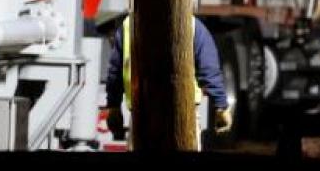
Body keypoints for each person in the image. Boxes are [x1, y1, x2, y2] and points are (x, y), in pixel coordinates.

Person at [97, 9, 232, 146]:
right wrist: (220, 106)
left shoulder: (128, 25)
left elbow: (116, 71)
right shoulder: (192, 25)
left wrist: (113, 106)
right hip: (183, 116)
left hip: (141, 116)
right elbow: (209, 69)